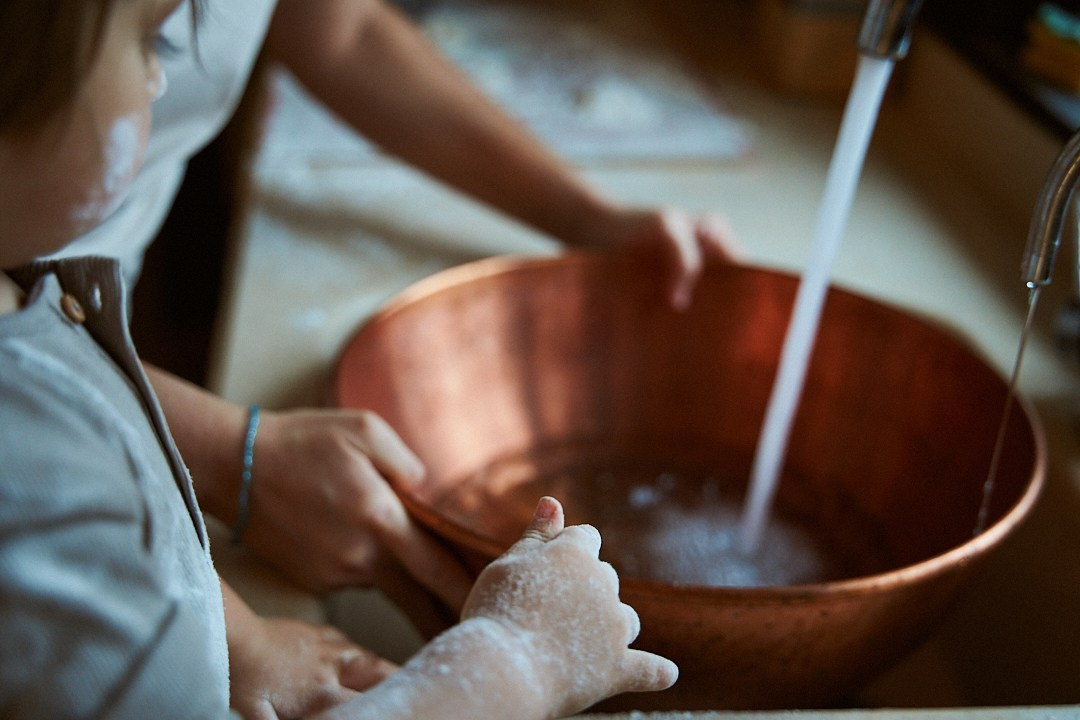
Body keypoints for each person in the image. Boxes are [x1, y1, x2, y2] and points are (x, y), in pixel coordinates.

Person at [42, 0, 735, 704]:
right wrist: (519, 664)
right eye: (153, 41)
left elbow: (342, 28)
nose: (167, 76)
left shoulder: (54, 373)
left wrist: (240, 639)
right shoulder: (50, 460)